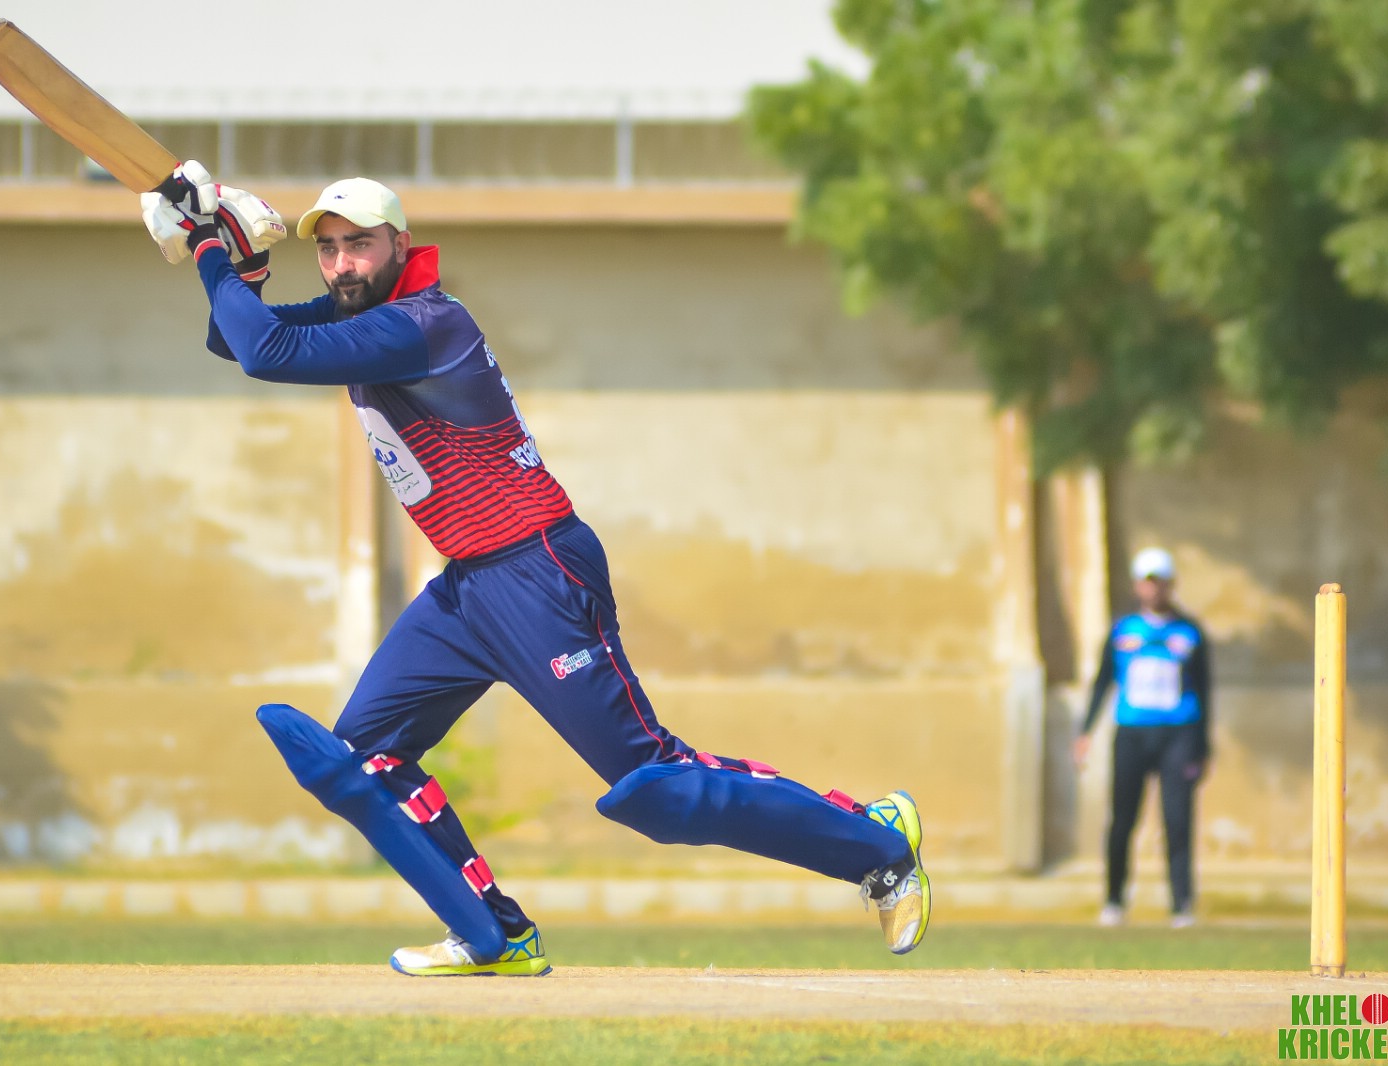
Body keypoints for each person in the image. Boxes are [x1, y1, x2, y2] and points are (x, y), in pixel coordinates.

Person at [138, 162, 931, 976]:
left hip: (536, 569)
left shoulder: (423, 322)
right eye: (329, 249)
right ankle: (494, 934)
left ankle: (876, 843)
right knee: (365, 759)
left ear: (399, 245)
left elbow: (265, 349)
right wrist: (241, 269)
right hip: (466, 591)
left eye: (359, 245)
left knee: (652, 786)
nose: (342, 264)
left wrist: (206, 246)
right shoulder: (361, 313)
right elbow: (236, 340)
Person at [1073, 546, 1212, 929]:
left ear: (1171, 584)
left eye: (1160, 581)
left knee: (1177, 820)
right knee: (1122, 819)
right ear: (1138, 585)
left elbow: (1204, 690)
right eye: (1147, 581)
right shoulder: (1123, 631)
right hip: (1132, 734)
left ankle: (1181, 904)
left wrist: (1202, 747)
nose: (1154, 589)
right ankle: (1114, 900)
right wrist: (1085, 731)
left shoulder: (1189, 632)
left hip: (1178, 734)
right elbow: (1103, 681)